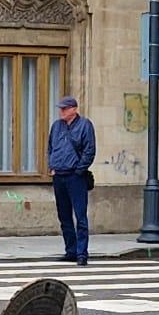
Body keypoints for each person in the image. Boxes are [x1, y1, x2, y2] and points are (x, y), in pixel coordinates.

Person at [48, 94, 96, 265]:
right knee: (64, 216)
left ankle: (82, 253)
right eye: (61, 108)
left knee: (80, 216)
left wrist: (79, 170)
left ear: (74, 109)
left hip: (75, 176)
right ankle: (71, 251)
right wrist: (52, 166)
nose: (62, 111)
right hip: (59, 175)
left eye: (65, 108)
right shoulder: (56, 126)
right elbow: (51, 147)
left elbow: (89, 150)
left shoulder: (85, 125)